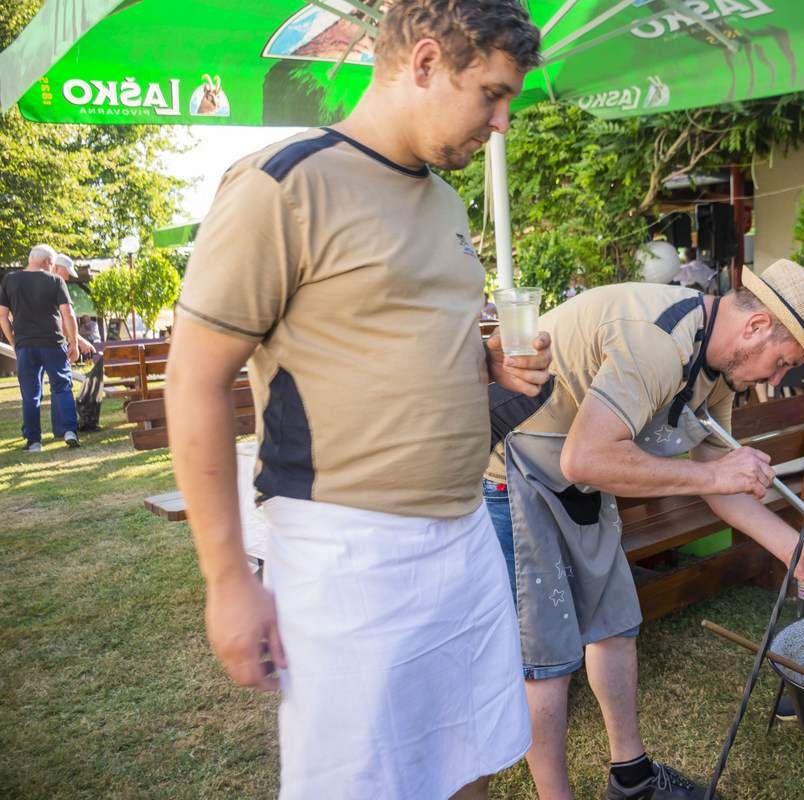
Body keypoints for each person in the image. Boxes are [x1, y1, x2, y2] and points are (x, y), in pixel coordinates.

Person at [163, 3, 545, 799]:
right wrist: (228, 580)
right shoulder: (281, 185)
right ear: (427, 62)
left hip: (464, 530)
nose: (502, 122)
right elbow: (193, 381)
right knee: (365, 782)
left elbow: (390, 327)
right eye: (493, 94)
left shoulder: (442, 198)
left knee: (464, 757)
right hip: (350, 553)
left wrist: (485, 365)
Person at [483, 261, 804, 800]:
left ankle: (631, 780)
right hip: (516, 468)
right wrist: (712, 472)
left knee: (614, 622)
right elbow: (587, 457)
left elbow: (719, 487)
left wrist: (796, 548)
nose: (774, 379)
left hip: (579, 470)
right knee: (547, 657)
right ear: (756, 326)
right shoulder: (657, 342)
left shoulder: (714, 370)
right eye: (781, 363)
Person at [0, 244, 82, 452]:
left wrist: (13, 341)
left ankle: (34, 442)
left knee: (30, 394)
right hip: (53, 343)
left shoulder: (10, 280)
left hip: (25, 345)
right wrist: (73, 343)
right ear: (47, 262)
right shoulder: (55, 280)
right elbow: (68, 314)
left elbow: (2, 315)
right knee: (62, 387)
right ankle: (69, 431)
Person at [50, 255, 98, 357]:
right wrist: (77, 342)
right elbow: (64, 319)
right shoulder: (54, 287)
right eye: (66, 272)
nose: (67, 277)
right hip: (50, 346)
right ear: (55, 268)